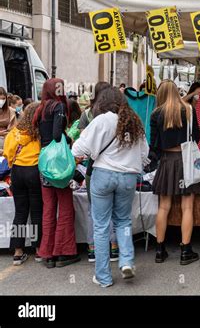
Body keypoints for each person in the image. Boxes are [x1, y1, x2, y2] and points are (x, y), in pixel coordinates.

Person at [72, 87, 148, 287]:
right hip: (129, 178)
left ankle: (104, 277)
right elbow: (144, 155)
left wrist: (96, 152)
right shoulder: (134, 121)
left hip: (103, 176)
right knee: (123, 221)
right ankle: (126, 261)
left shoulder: (102, 120)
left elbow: (78, 148)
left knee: (101, 225)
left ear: (102, 103)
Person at [150, 80, 200, 265]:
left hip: (166, 161)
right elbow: (196, 136)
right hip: (186, 161)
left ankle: (159, 249)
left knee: (163, 207)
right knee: (187, 207)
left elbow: (154, 144)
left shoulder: (156, 114)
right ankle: (185, 251)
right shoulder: (188, 109)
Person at [32, 78, 79, 269]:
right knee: (66, 207)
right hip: (59, 164)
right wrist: (70, 138)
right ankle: (63, 251)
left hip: (44, 162)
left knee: (49, 209)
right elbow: (57, 135)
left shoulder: (40, 108)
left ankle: (47, 253)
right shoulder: (59, 107)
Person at [77, 82, 119, 263]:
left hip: (93, 167)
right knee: (114, 211)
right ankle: (115, 247)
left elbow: (81, 142)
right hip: (116, 168)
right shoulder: (121, 116)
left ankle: (93, 249)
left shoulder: (87, 114)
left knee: (94, 211)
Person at [3, 102, 42, 265]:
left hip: (18, 172)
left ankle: (18, 252)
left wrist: (14, 165)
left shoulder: (14, 133)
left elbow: (7, 153)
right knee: (36, 212)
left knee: (20, 212)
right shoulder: (39, 133)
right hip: (34, 171)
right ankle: (39, 250)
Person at [182, 82, 200, 150]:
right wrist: (193, 93)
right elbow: (179, 102)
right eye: (199, 92)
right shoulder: (186, 106)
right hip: (189, 139)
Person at [0, 87, 17, 155]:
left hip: (8, 141)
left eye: (3, 99)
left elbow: (14, 128)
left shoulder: (11, 111)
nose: (1, 101)